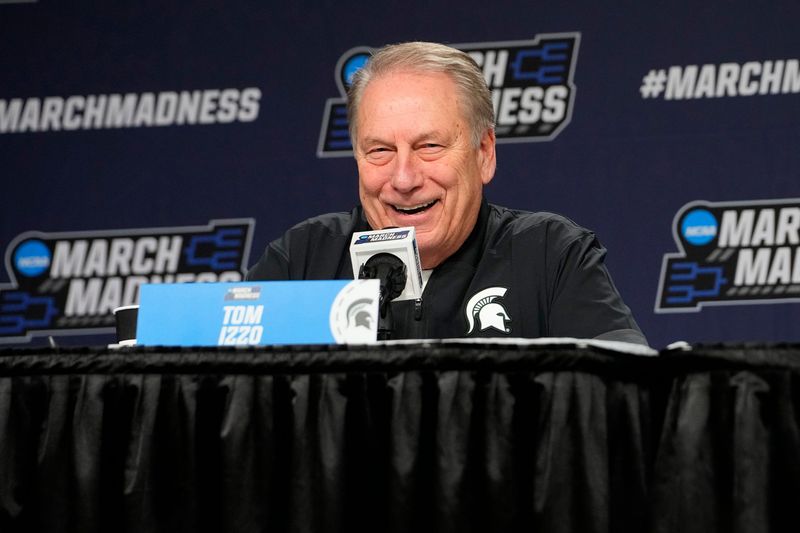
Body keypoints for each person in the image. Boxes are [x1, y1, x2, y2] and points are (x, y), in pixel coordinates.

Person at [247, 41, 647, 345]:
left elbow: (625, 399)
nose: (404, 179)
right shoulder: (302, 261)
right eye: (380, 150)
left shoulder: (549, 256)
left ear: (484, 153)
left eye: (430, 146)